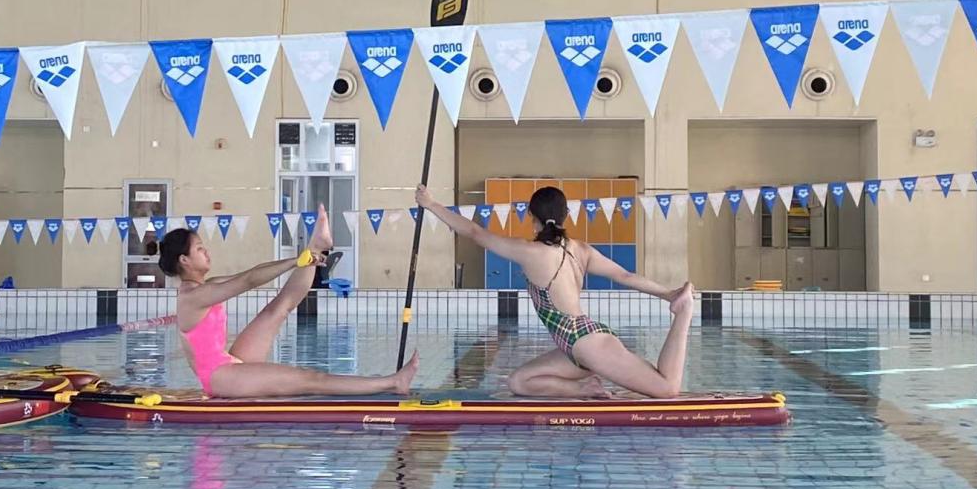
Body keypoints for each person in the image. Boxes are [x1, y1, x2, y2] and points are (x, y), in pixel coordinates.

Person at [415, 184, 694, 399]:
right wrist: (665, 293)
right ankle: (585, 388)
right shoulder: (581, 249)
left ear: (531, 217)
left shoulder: (529, 251)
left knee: (667, 388)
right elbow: (625, 276)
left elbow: (475, 233)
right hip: (575, 346)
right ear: (566, 215)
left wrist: (431, 204)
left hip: (588, 344)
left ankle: (683, 313)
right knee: (519, 382)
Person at [158, 206, 418, 398]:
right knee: (311, 379)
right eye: (199, 248)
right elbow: (248, 281)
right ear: (184, 260)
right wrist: (296, 261)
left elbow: (250, 273)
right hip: (220, 378)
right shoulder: (193, 297)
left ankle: (316, 247)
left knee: (278, 309)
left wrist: (304, 258)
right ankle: (393, 383)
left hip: (228, 363)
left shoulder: (207, 286)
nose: (206, 251)